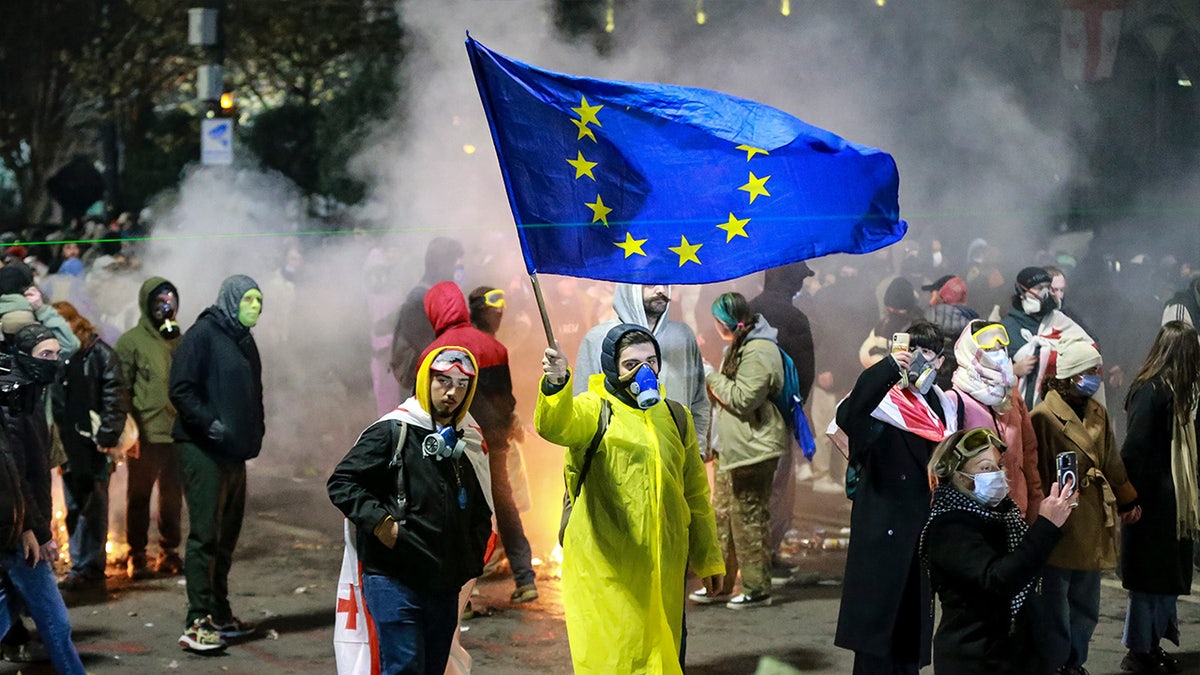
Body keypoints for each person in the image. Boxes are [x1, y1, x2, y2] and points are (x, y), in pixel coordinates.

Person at [538, 325, 724, 674]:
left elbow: (695, 495)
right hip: (607, 571)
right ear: (611, 367)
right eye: (631, 364)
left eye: (651, 361)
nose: (645, 372)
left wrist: (708, 558)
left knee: (664, 657)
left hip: (663, 569)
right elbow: (556, 426)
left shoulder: (675, 417)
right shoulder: (593, 409)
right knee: (615, 660)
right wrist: (556, 383)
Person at [328, 347, 493, 674]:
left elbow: (479, 508)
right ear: (425, 380)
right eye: (443, 381)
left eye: (462, 384)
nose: (452, 392)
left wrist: (468, 560)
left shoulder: (464, 441)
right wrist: (382, 525)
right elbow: (343, 481)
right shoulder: (394, 430)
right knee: (404, 667)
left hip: (443, 583)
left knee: (433, 668)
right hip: (394, 578)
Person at [835, 321, 956, 674]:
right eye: (913, 350)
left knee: (910, 629)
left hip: (921, 527)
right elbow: (851, 413)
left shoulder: (939, 402)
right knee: (876, 634)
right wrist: (889, 367)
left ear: (940, 361)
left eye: (929, 353)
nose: (921, 360)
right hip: (883, 524)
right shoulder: (883, 397)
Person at [920, 427, 1074, 674]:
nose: (997, 474)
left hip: (1012, 656)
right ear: (958, 475)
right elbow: (999, 580)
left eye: (998, 466)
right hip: (976, 661)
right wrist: (1045, 527)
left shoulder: (1002, 515)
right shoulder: (950, 528)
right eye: (984, 468)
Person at [418, 282, 536, 604]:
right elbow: (505, 397)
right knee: (505, 505)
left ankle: (465, 599)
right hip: (494, 444)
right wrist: (502, 431)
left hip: (456, 446)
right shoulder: (493, 347)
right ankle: (525, 579)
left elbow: (430, 406)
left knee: (459, 517)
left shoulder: (433, 354)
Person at [1030, 339, 1141, 675]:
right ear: (1069, 375)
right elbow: (1035, 471)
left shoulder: (1096, 411)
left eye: (1097, 370)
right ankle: (1056, 663)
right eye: (1090, 371)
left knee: (1086, 604)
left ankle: (1075, 661)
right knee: (1056, 605)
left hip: (1091, 517)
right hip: (1060, 522)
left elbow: (1110, 460)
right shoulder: (1043, 417)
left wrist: (1127, 497)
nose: (1096, 377)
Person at [169, 275, 265, 652]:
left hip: (233, 452)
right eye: (249, 300)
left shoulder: (244, 340)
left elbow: (255, 392)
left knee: (226, 536)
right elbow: (180, 388)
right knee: (205, 535)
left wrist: (254, 433)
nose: (256, 306)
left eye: (259, 300)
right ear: (231, 300)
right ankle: (197, 620)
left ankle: (220, 612)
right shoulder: (203, 335)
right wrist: (210, 424)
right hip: (201, 448)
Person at [0, 324, 87, 673]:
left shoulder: (30, 393)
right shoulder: (13, 403)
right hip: (17, 525)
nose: (53, 361)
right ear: (23, 356)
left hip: (22, 522)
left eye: (56, 354)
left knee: (10, 604)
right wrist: (32, 531)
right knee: (56, 621)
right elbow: (14, 477)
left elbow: (36, 473)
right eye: (45, 355)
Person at [695, 292, 788, 608]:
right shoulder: (740, 344)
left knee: (748, 518)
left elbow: (743, 399)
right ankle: (720, 584)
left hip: (754, 449)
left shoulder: (760, 350)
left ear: (725, 322)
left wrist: (710, 375)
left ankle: (756, 588)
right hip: (732, 449)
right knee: (721, 517)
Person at [1118, 321, 1200, 674]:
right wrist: (1129, 501)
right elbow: (1134, 451)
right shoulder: (1150, 391)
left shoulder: (1177, 393)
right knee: (1149, 582)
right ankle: (1139, 650)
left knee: (1164, 579)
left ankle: (1151, 645)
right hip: (1150, 504)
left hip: (1171, 504)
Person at [51, 301, 128, 591]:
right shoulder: (60, 356)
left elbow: (115, 397)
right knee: (73, 504)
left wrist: (107, 436)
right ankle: (80, 563)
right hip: (69, 443)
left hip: (94, 445)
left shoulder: (100, 354)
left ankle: (90, 567)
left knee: (93, 504)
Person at [575, 283, 710, 445]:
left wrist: (696, 451)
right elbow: (581, 411)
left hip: (674, 461)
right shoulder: (598, 338)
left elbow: (699, 402)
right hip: (617, 463)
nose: (661, 290)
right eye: (650, 284)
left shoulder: (683, 337)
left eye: (665, 284)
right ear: (629, 287)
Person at [115, 276, 184, 579]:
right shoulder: (130, 342)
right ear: (146, 303)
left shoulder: (180, 340)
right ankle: (137, 554)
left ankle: (169, 551)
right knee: (139, 496)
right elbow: (120, 389)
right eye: (159, 300)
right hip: (145, 432)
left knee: (172, 495)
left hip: (177, 432)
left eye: (170, 300)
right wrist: (129, 430)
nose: (165, 306)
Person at [747, 263, 816, 567]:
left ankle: (747, 555)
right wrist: (795, 410)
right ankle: (766, 556)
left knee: (747, 487)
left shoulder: (747, 312)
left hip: (742, 415)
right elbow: (804, 374)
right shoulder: (795, 318)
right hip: (779, 416)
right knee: (777, 489)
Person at [950, 321, 1044, 523]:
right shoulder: (957, 400)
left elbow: (1029, 453)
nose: (999, 354)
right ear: (971, 351)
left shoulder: (1012, 395)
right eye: (989, 350)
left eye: (1001, 348)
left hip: (1018, 510)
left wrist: (1036, 502)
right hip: (975, 514)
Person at [1001, 266, 1102, 410]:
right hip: (1019, 408)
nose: (1044, 293)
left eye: (1047, 287)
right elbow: (990, 369)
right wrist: (1013, 370)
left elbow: (1088, 348)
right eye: (1038, 288)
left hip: (1059, 404)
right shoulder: (1007, 328)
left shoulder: (1059, 320)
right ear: (1022, 292)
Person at [390, 237, 464, 401]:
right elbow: (431, 350)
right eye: (456, 267)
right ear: (440, 266)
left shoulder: (437, 295)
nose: (460, 273)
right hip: (420, 390)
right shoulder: (418, 300)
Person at [923, 275, 979, 388]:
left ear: (944, 296)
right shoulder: (976, 327)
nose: (931, 300)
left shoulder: (926, 322)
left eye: (934, 294)